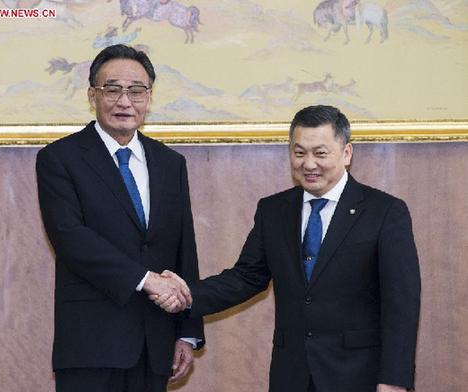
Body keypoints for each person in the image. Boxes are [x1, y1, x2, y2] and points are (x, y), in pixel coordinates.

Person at [155, 105, 421, 392]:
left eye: (320, 153)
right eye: (299, 152)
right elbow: (246, 277)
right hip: (291, 374)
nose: (308, 164)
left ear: (346, 153)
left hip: (358, 375)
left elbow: (401, 305)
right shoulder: (273, 210)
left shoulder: (385, 212)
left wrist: (394, 380)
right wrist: (188, 294)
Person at [36, 44, 204, 392]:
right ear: (92, 95)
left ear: (148, 97)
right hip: (91, 344)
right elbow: (71, 238)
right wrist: (147, 280)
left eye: (136, 90)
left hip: (156, 344)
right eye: (112, 89)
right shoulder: (59, 159)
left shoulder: (171, 164)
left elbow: (183, 247)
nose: (124, 101)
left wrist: (187, 332)